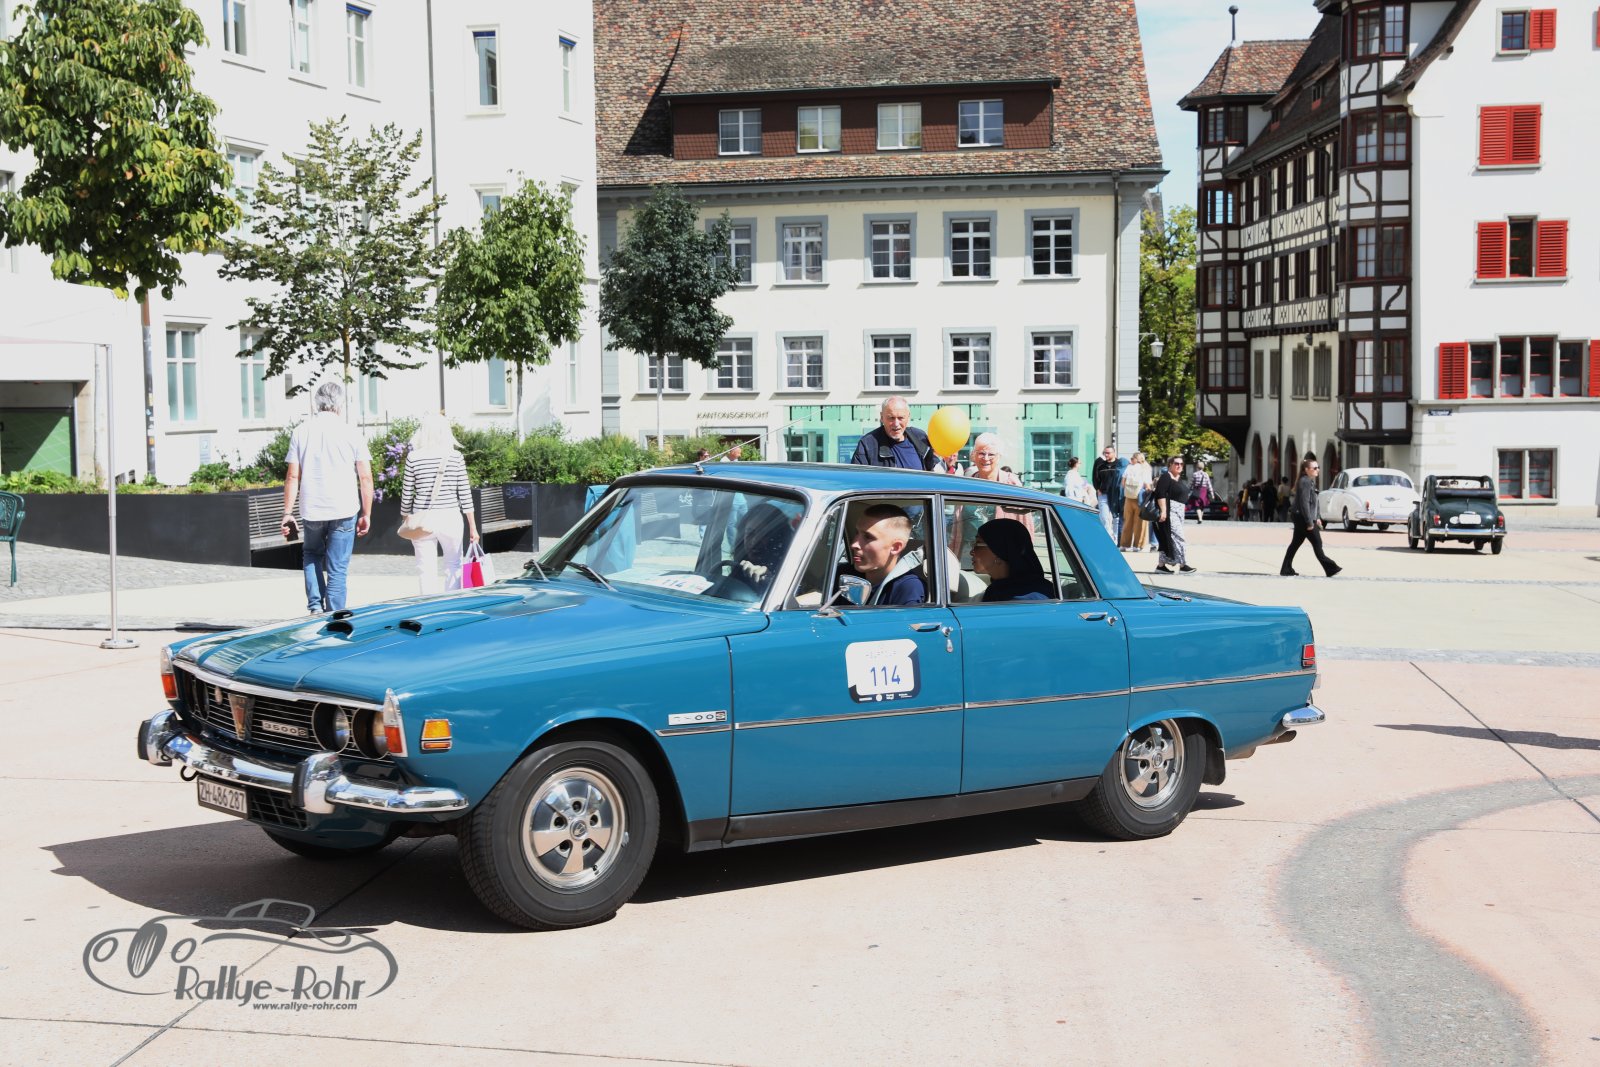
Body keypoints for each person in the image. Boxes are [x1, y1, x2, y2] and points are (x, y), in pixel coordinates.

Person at [281, 382, 372, 614]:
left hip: (312, 507)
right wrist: (367, 513)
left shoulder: (301, 431)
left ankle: (315, 608)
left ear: (316, 403)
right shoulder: (352, 432)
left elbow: (292, 476)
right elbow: (365, 477)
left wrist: (287, 513)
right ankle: (334, 615)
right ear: (341, 404)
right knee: (337, 567)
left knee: (311, 554)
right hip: (344, 508)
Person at [400, 412, 479, 594]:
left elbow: (407, 494)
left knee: (425, 569)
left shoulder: (414, 457)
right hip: (450, 516)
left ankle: (427, 606)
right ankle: (451, 605)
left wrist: (406, 518)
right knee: (454, 565)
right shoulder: (455, 456)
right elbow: (465, 494)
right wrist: (473, 527)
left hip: (422, 518)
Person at [950, 433, 1034, 568]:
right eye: (981, 453)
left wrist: (1024, 559)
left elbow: (1026, 526)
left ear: (999, 456)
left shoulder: (1010, 483)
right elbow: (957, 528)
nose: (986, 458)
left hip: (1001, 561)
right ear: (974, 456)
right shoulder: (967, 484)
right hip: (968, 558)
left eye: (991, 454)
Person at [845, 503, 925, 605]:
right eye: (857, 533)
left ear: (895, 547)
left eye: (868, 537)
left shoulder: (907, 588)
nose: (854, 544)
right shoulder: (844, 575)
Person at [1281, 457, 1342, 577]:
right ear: (1306, 469)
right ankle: (1331, 568)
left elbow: (1314, 502)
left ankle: (1286, 568)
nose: (1317, 469)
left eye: (1318, 467)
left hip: (1301, 516)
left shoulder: (1309, 481)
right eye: (1314, 468)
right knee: (1317, 543)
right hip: (1303, 518)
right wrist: (1309, 522)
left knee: (1295, 543)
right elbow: (1304, 503)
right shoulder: (1305, 481)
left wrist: (1317, 517)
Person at [972, 518, 1054, 602]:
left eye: (978, 544)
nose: (971, 552)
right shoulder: (997, 590)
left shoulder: (1028, 598)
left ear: (999, 551)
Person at [849, 396, 941, 470]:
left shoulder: (920, 438)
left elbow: (935, 470)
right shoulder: (868, 444)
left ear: (908, 417)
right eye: (891, 418)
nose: (896, 424)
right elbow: (858, 479)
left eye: (901, 418)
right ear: (882, 417)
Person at [1152, 455, 1196, 575]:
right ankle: (1183, 565)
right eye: (1176, 463)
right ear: (1170, 464)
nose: (1179, 466)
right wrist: (1163, 511)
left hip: (1178, 512)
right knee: (1180, 538)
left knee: (1167, 538)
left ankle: (1161, 566)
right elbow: (1160, 494)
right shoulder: (1166, 477)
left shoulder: (1178, 478)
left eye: (1181, 464)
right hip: (1170, 512)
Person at [1117, 451, 1152, 552]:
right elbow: (1147, 485)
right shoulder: (1145, 469)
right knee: (1140, 523)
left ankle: (1124, 544)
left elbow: (1123, 483)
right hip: (1140, 498)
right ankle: (1138, 545)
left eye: (1132, 458)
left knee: (1127, 521)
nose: (1131, 460)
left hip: (1129, 497)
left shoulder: (1129, 468)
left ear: (1137, 459)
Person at [1092, 446, 1127, 541]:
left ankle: (1116, 539)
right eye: (1105, 453)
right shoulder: (1100, 465)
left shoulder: (1119, 465)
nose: (1106, 455)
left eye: (1108, 453)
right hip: (1103, 493)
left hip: (1115, 494)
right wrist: (1097, 488)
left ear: (1114, 453)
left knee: (1116, 517)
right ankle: (1108, 537)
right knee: (1104, 517)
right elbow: (1095, 478)